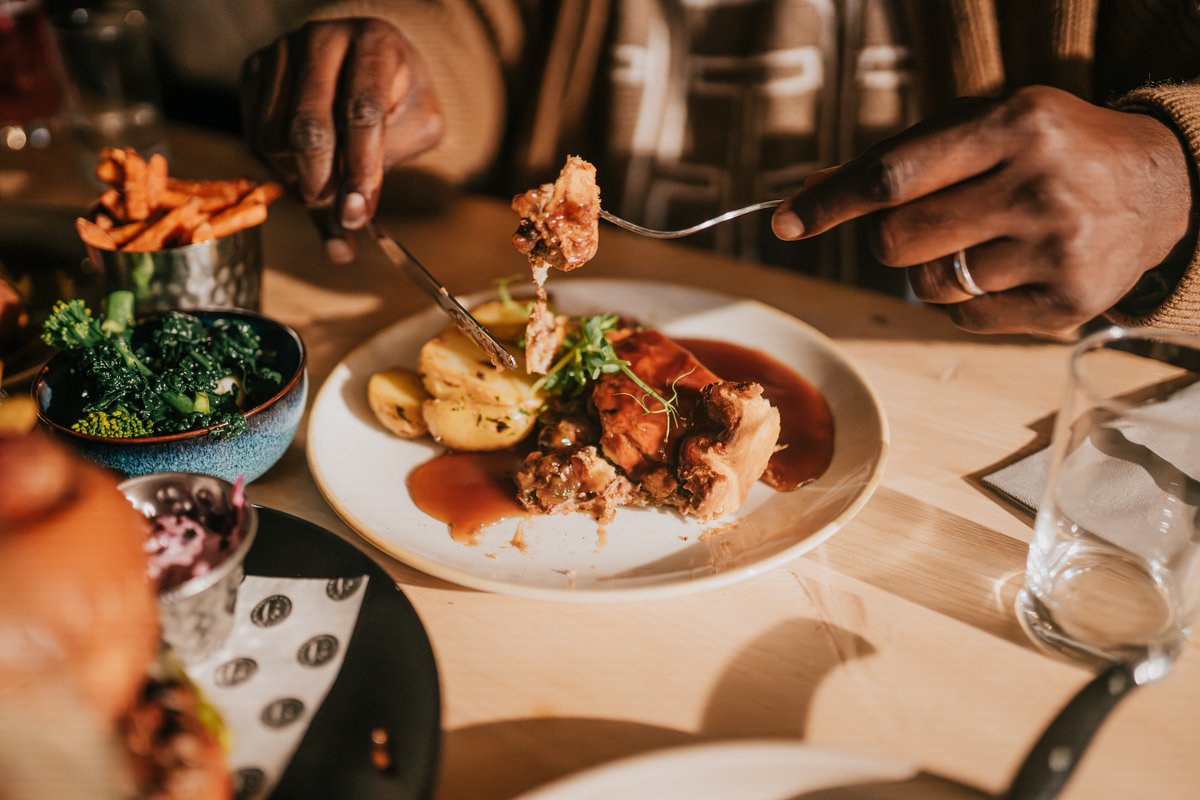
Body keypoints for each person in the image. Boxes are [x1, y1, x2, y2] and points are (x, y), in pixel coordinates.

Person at [149, 0, 1199, 336]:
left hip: (985, 391)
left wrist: (1172, 174)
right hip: (608, 311)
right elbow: (492, 28)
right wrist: (409, 71)